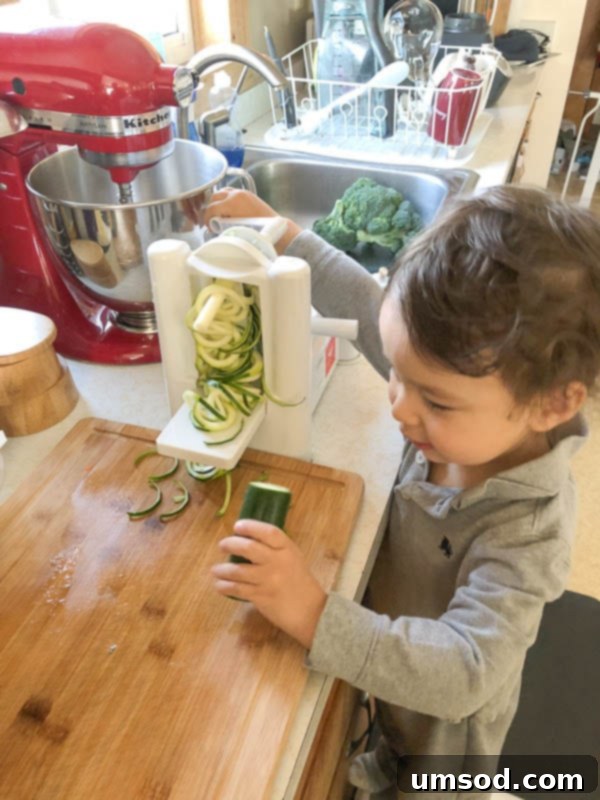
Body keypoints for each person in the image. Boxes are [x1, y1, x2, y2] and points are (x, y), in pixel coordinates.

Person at [207, 184, 600, 798]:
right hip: (385, 677)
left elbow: (465, 670)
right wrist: (287, 235)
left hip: (442, 753)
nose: (400, 409)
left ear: (553, 403)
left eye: (435, 400)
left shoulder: (529, 530)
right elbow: (374, 314)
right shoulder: (460, 425)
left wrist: (313, 612)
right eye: (397, 373)